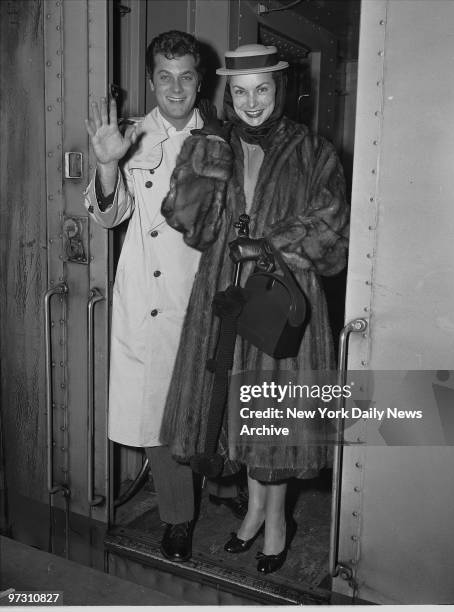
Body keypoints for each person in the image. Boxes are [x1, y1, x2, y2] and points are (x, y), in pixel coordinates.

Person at [160, 44, 350, 574]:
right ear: (227, 94)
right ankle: (252, 515)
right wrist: (206, 162)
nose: (251, 103)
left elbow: (333, 230)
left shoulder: (314, 151)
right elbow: (190, 225)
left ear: (280, 90)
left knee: (274, 416)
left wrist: (269, 246)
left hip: (283, 296)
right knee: (236, 408)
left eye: (262, 89)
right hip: (225, 295)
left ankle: (275, 522)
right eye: (240, 92)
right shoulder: (213, 144)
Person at [83, 30, 246, 563]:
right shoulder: (128, 138)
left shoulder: (226, 138)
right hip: (149, 300)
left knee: (216, 406)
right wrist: (108, 165)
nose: (175, 88)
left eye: (186, 76)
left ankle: (228, 488)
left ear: (199, 81)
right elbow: (108, 214)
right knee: (158, 411)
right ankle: (178, 519)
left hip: (206, 294)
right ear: (151, 80)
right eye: (164, 76)